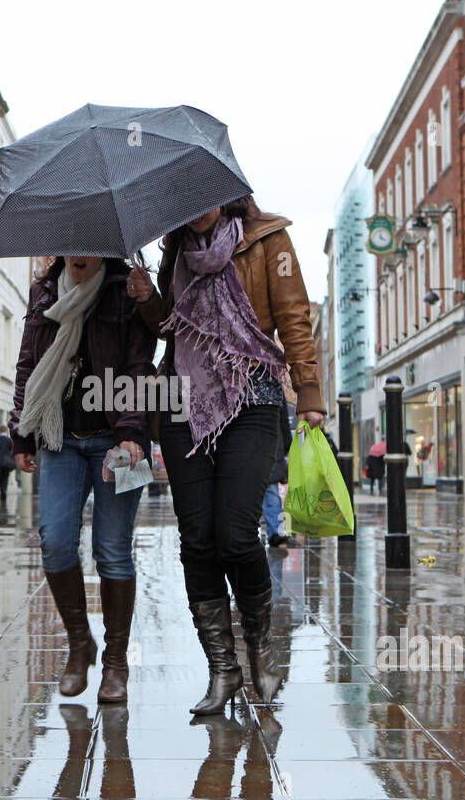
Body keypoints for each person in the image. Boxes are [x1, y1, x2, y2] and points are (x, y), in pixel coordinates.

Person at [128, 196, 324, 715]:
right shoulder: (175, 250)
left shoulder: (267, 239)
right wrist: (148, 299)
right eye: (185, 202)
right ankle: (222, 670)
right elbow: (167, 328)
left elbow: (294, 316)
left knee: (236, 535)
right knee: (196, 538)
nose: (195, 210)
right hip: (182, 403)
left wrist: (308, 392)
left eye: (204, 199)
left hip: (253, 395)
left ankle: (259, 642)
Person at [11, 255, 156, 703]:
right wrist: (20, 431)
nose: (79, 253)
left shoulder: (124, 287)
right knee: (55, 541)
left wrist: (132, 431)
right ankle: (80, 644)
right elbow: (28, 363)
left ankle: (115, 662)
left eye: (89, 243)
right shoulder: (45, 291)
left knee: (111, 550)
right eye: (70, 243)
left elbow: (138, 365)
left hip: (117, 439)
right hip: (60, 437)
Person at [262, 403, 293, 548]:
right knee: (271, 493)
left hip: (269, 446)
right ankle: (276, 532)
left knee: (270, 491)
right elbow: (284, 421)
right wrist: (287, 446)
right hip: (273, 444)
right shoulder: (275, 387)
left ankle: (276, 533)